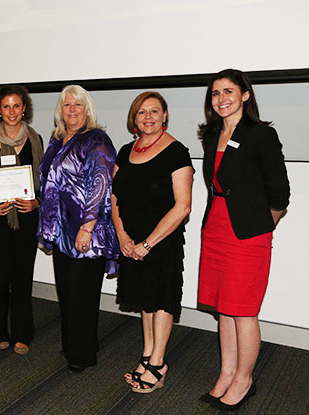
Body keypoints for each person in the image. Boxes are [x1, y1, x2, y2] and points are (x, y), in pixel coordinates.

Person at [197, 69, 290, 411]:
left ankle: (244, 380)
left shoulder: (261, 135)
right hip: (216, 228)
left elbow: (280, 192)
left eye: (228, 91)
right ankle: (227, 373)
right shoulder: (211, 135)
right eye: (215, 93)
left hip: (247, 233)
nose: (221, 98)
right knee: (224, 309)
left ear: (245, 95)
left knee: (243, 311)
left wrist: (263, 226)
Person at [111, 92, 193, 393]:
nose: (148, 117)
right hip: (131, 239)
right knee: (145, 298)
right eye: (141, 112)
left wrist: (148, 244)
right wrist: (123, 236)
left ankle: (158, 363)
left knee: (160, 298)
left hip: (161, 239)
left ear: (165, 115)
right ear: (134, 119)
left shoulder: (177, 152)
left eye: (154, 111)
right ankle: (147, 355)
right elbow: (114, 196)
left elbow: (183, 206)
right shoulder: (125, 151)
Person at [37, 85, 118, 371]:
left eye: (77, 105)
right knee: (68, 294)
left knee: (82, 296)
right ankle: (74, 345)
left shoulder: (97, 139)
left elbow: (100, 184)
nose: (71, 109)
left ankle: (82, 355)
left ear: (87, 109)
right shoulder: (57, 139)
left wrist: (87, 228)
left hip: (86, 232)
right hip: (61, 232)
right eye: (66, 105)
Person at [0, 85, 43, 355]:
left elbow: (46, 180)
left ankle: (22, 333)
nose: (12, 111)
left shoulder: (36, 139)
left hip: (26, 218)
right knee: (0, 277)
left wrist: (36, 201)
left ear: (24, 108)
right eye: (6, 106)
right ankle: (0, 331)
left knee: (23, 277)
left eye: (17, 106)